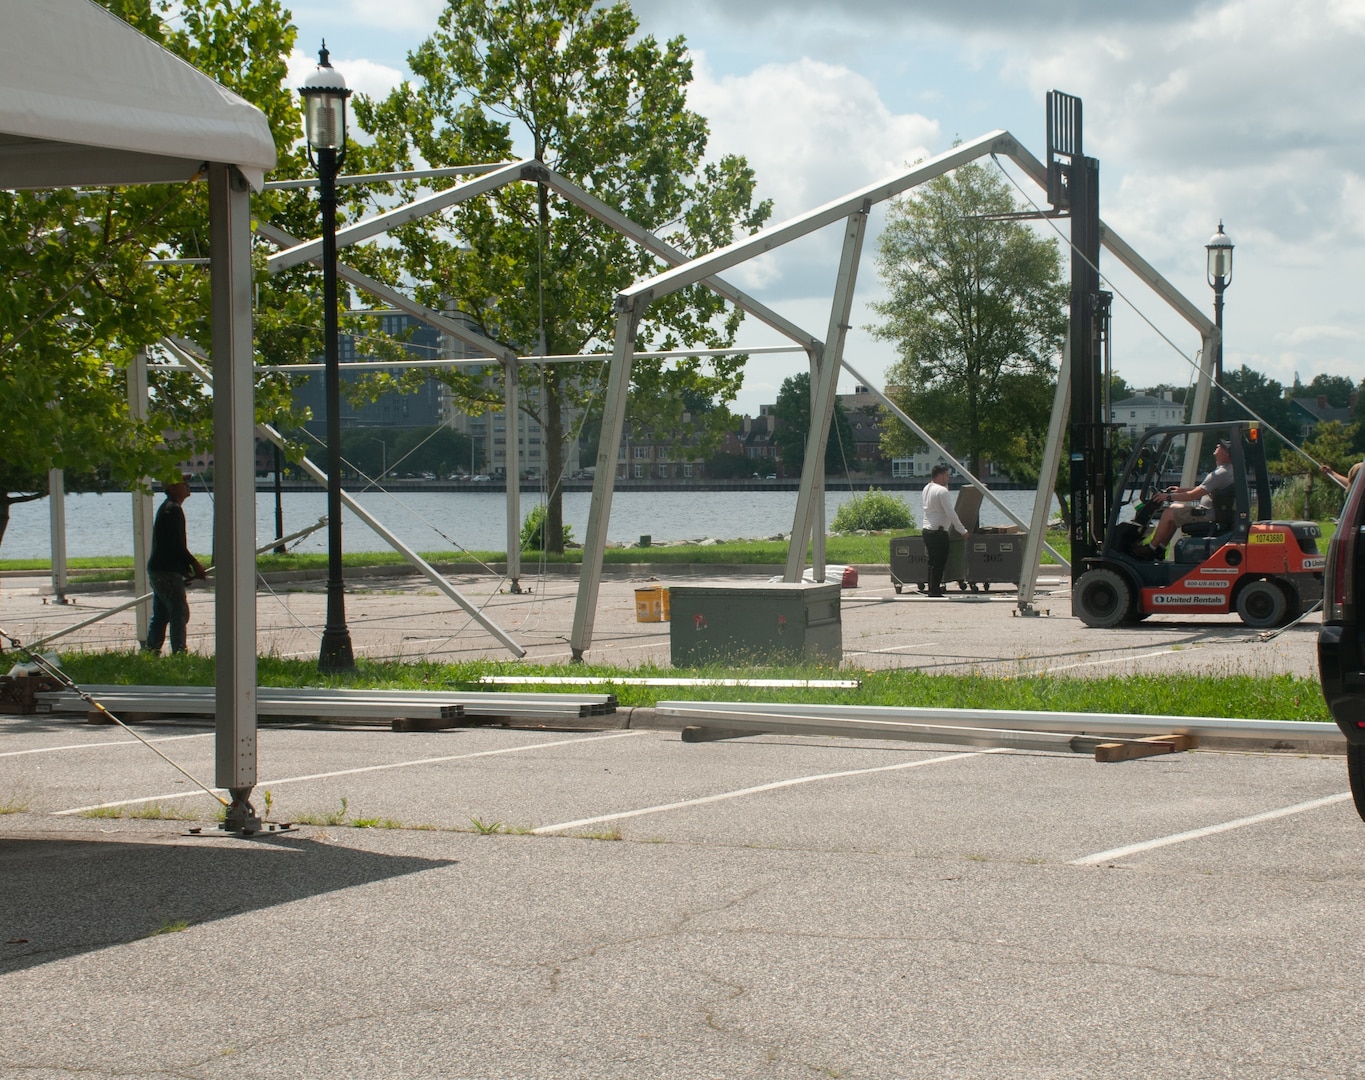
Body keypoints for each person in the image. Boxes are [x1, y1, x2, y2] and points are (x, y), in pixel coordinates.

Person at [143, 475, 207, 654]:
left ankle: (151, 650)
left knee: (162, 614)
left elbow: (170, 546)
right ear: (171, 488)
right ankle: (179, 651)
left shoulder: (168, 508)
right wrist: (194, 564)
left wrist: (184, 569)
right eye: (182, 483)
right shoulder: (173, 510)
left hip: (160, 569)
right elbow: (176, 544)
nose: (187, 485)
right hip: (166, 571)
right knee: (179, 613)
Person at [1144, 438, 1235, 557]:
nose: (1218, 445)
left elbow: (1193, 495)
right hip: (1212, 512)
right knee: (1176, 508)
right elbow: (1202, 489)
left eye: (1221, 446)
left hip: (1208, 514)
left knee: (1168, 513)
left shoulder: (1220, 473)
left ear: (1226, 454)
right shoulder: (1228, 470)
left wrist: (1167, 497)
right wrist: (1179, 490)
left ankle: (1150, 549)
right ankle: (1160, 549)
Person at [920, 463, 968, 596]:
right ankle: (934, 589)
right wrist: (962, 530)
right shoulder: (942, 491)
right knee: (940, 561)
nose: (948, 478)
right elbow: (950, 512)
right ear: (940, 476)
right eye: (947, 476)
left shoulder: (927, 488)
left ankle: (932, 587)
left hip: (927, 529)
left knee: (932, 561)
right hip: (938, 531)